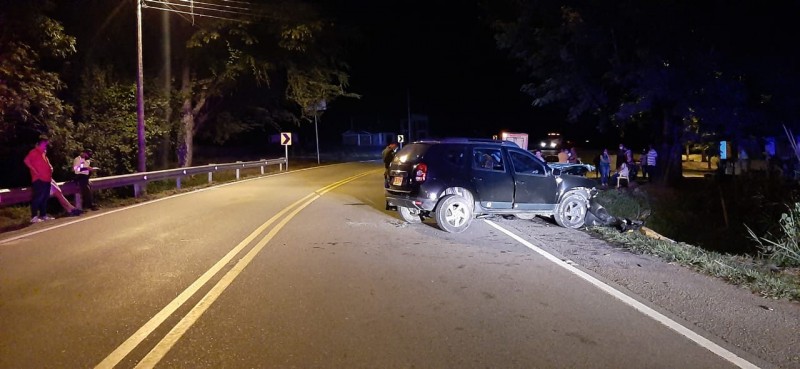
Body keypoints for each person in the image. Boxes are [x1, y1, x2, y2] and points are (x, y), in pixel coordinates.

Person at [24, 137, 54, 223]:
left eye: (46, 145)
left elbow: (47, 164)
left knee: (45, 197)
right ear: (39, 144)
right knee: (38, 197)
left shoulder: (43, 154)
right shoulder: (34, 152)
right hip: (38, 179)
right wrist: (34, 170)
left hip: (47, 179)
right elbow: (26, 161)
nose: (45, 146)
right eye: (44, 144)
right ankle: (34, 216)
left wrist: (51, 167)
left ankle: (43, 215)